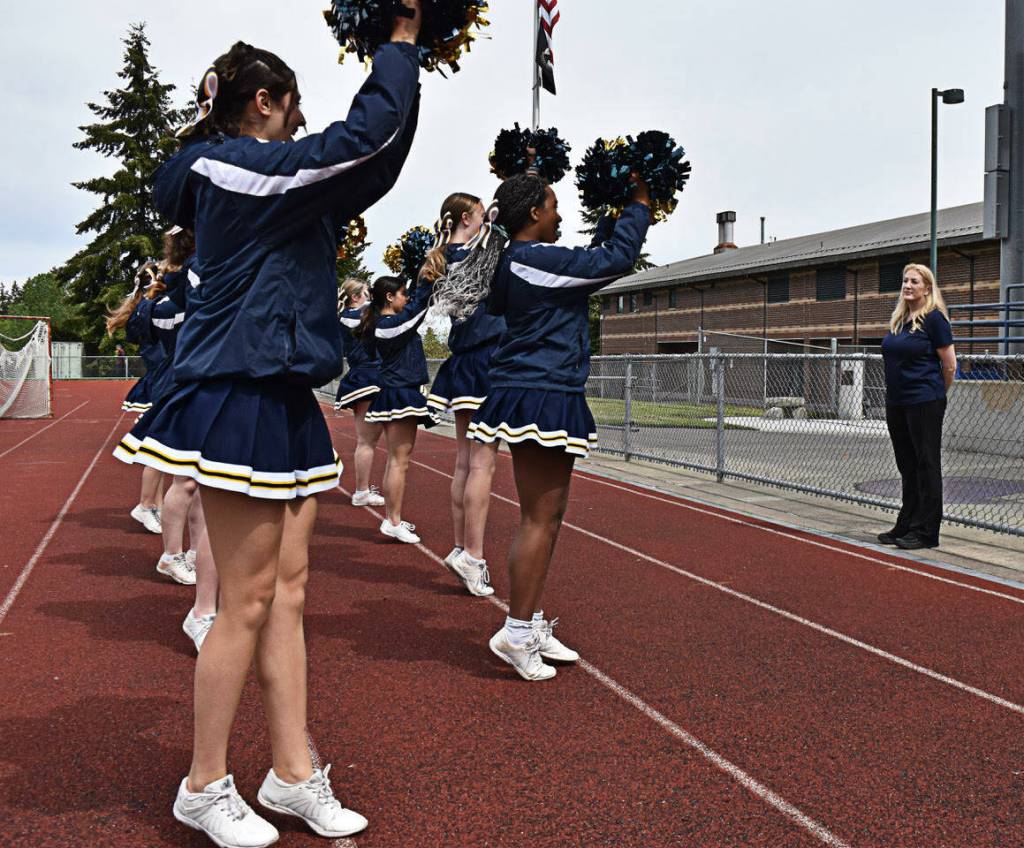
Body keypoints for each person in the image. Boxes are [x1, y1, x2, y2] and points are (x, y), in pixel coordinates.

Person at [112, 5, 422, 845]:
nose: (298, 123)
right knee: (243, 603)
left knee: (286, 595)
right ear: (264, 102)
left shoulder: (254, 173)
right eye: (292, 107)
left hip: (282, 389)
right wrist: (396, 42)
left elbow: (374, 159)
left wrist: (406, 60)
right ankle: (202, 784)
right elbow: (363, 137)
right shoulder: (230, 167)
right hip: (237, 390)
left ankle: (291, 773)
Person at [433, 172, 651, 681]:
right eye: (553, 206)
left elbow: (590, 264)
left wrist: (611, 215)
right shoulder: (531, 260)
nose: (558, 215)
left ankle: (526, 622)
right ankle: (515, 631)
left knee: (547, 517)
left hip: (541, 387)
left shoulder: (522, 262)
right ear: (533, 214)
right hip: (541, 391)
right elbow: (613, 261)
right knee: (540, 517)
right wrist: (639, 204)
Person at [423, 193, 497, 596]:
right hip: (484, 360)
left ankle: (459, 547)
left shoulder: (443, 255)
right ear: (468, 217)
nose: (487, 218)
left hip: (463, 361)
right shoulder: (475, 253)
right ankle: (473, 554)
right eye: (482, 213)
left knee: (464, 464)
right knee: (482, 467)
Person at [879, 263, 956, 550]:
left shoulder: (934, 320)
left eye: (914, 281)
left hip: (924, 401)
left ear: (927, 287)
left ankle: (926, 532)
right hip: (897, 402)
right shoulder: (899, 320)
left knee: (926, 465)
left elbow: (950, 365)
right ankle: (907, 523)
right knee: (907, 466)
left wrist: (936, 394)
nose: (908, 285)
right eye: (905, 281)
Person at [359, 272, 437, 543]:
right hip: (399, 393)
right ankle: (392, 520)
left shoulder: (384, 322)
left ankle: (394, 517)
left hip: (399, 391)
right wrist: (427, 283)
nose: (407, 297)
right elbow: (418, 310)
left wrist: (421, 274)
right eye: (403, 293)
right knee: (399, 461)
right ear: (390, 297)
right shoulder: (388, 324)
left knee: (398, 460)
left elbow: (414, 305)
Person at [108, 262, 166, 533]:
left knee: (166, 449)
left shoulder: (146, 307)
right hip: (164, 381)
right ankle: (146, 505)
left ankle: (157, 505)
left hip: (166, 378)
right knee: (159, 445)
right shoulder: (149, 309)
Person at [335, 278, 385, 507]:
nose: (370, 296)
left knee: (367, 441)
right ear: (355, 297)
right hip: (368, 376)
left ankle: (362, 489)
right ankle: (361, 491)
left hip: (362, 376)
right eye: (367, 293)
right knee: (366, 441)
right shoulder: (359, 316)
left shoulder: (346, 317)